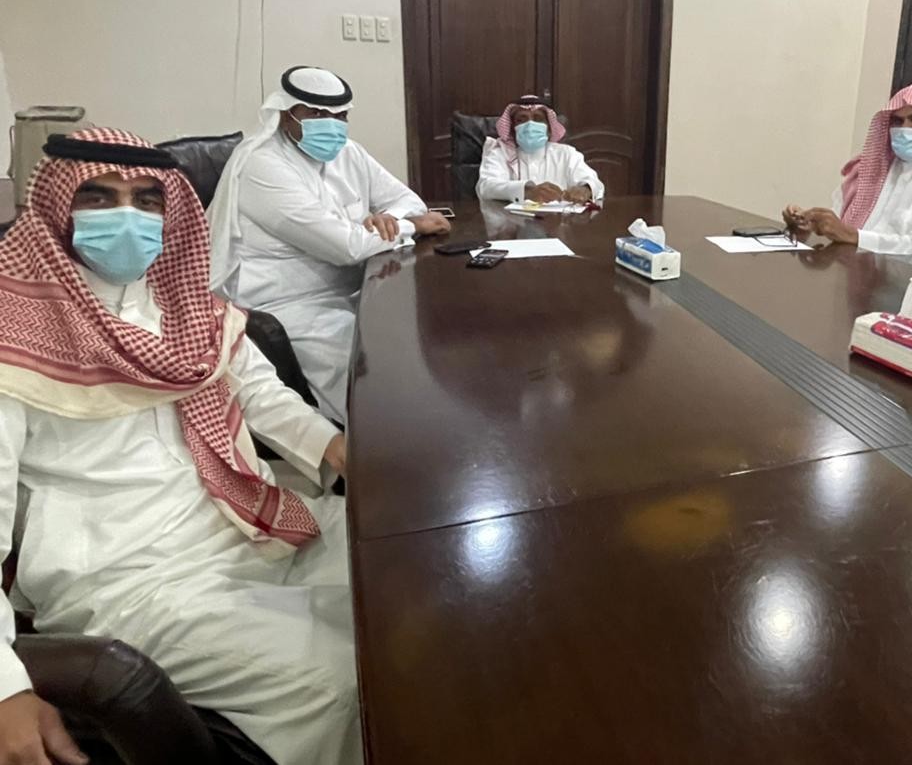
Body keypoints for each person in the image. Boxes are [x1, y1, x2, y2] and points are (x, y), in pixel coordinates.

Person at [0, 128, 360, 765]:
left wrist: (339, 450)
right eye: (98, 197)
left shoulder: (183, 304)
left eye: (146, 200)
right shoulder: (12, 337)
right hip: (126, 577)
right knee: (340, 686)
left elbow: (258, 391)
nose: (127, 217)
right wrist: (6, 688)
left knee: (402, 585)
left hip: (242, 521)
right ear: (56, 205)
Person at [207, 66, 449, 424]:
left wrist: (388, 219)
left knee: (413, 346)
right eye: (318, 114)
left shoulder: (348, 153)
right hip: (287, 306)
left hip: (355, 287)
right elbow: (345, 246)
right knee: (375, 381)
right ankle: (372, 449)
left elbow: (408, 200)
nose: (332, 125)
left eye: (340, 116)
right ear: (287, 114)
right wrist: (409, 226)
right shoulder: (261, 165)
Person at [783, 84, 912, 275]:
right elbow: (841, 221)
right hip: (858, 276)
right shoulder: (876, 167)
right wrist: (812, 222)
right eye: (898, 121)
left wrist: (853, 236)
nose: (904, 128)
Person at [476, 95, 604, 204]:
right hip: (511, 223)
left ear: (549, 129)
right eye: (521, 120)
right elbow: (486, 187)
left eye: (538, 119)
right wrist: (527, 192)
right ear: (512, 129)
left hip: (558, 222)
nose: (530, 125)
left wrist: (585, 189)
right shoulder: (499, 153)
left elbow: (594, 182)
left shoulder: (566, 154)